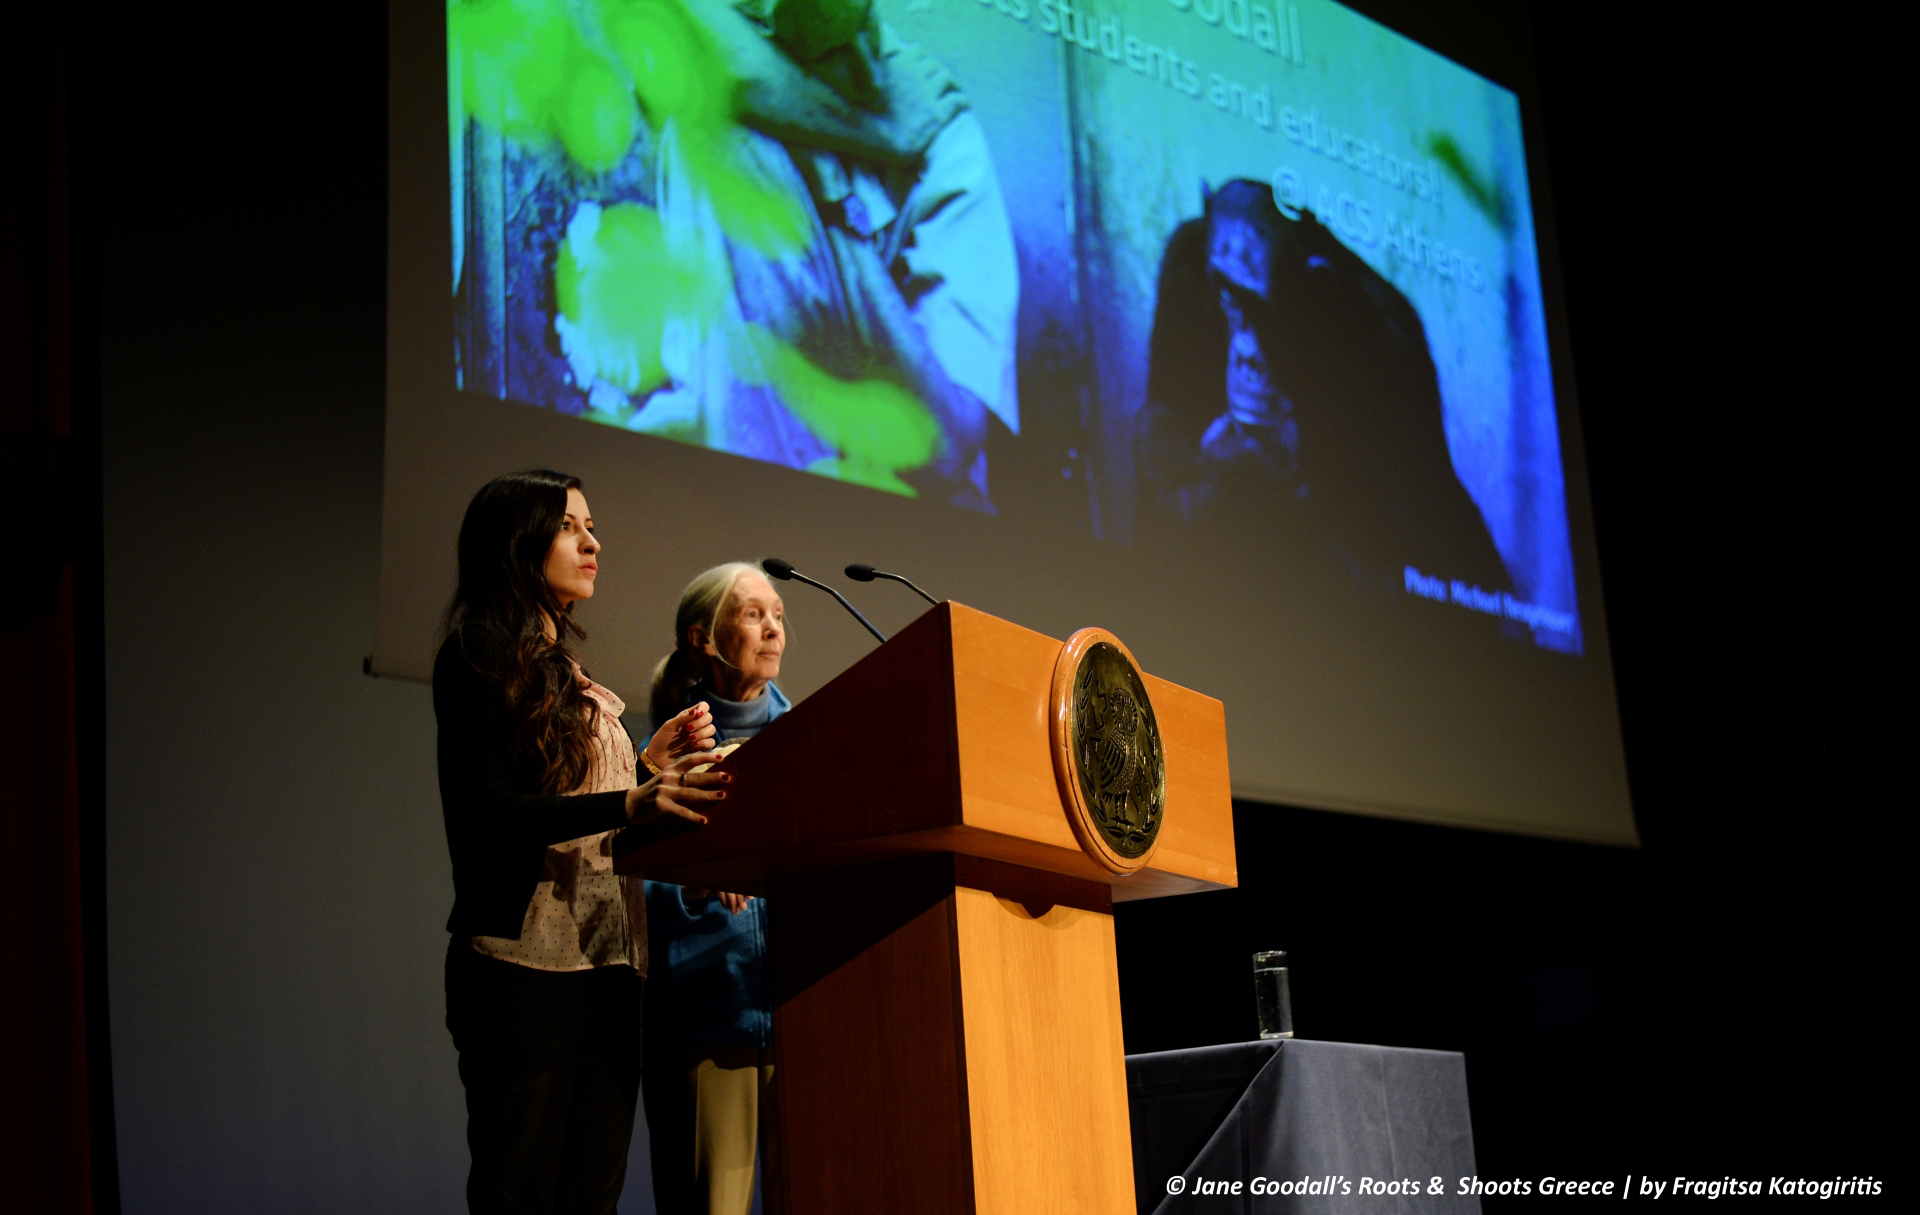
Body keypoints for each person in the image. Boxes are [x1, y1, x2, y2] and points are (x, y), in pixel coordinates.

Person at [434, 468, 731, 1215]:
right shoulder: (477, 651)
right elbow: (491, 811)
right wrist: (633, 796)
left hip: (609, 967)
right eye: (571, 527)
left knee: (591, 1199)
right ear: (518, 543)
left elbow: (585, 810)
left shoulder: (568, 671)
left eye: (591, 526)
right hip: (523, 970)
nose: (592, 542)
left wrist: (648, 764)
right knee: (520, 1193)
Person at [1134, 179, 1511, 593]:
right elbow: (1162, 414)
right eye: (1227, 297)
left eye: (1254, 308)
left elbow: (1389, 540)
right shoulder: (1194, 254)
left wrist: (1275, 487)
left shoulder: (1373, 331)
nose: (1244, 350)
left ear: (1309, 284)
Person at [632, 562, 791, 1215]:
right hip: (702, 1025)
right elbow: (621, 897)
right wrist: (693, 886)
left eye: (778, 613)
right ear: (703, 638)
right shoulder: (663, 757)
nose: (773, 627)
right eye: (753, 613)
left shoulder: (810, 740)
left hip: (799, 1023)